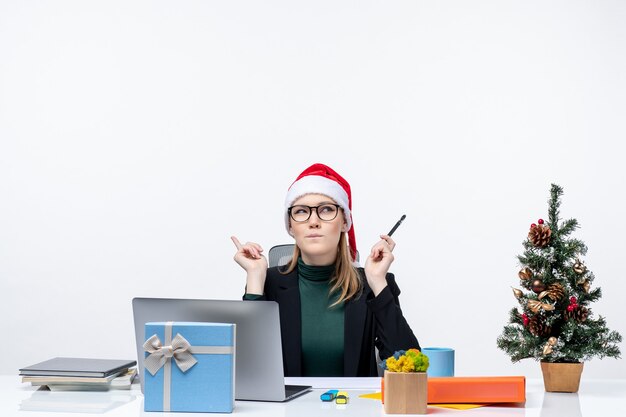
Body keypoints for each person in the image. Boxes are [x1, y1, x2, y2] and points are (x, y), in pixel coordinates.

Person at [231, 163, 419, 377]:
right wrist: (255, 278)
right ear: (291, 227)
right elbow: (248, 370)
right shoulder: (268, 282)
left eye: (326, 209)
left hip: (354, 408)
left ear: (345, 222)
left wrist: (377, 281)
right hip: (288, 410)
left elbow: (410, 366)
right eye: (301, 211)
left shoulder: (371, 284)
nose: (313, 221)